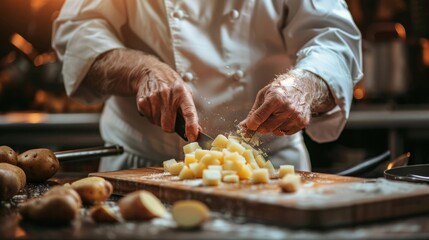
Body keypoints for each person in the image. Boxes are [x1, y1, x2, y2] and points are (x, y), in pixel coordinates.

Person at [52, 0, 362, 172]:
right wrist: (139, 70)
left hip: (268, 168)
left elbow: (333, 35)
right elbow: (78, 29)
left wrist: (303, 85)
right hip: (143, 166)